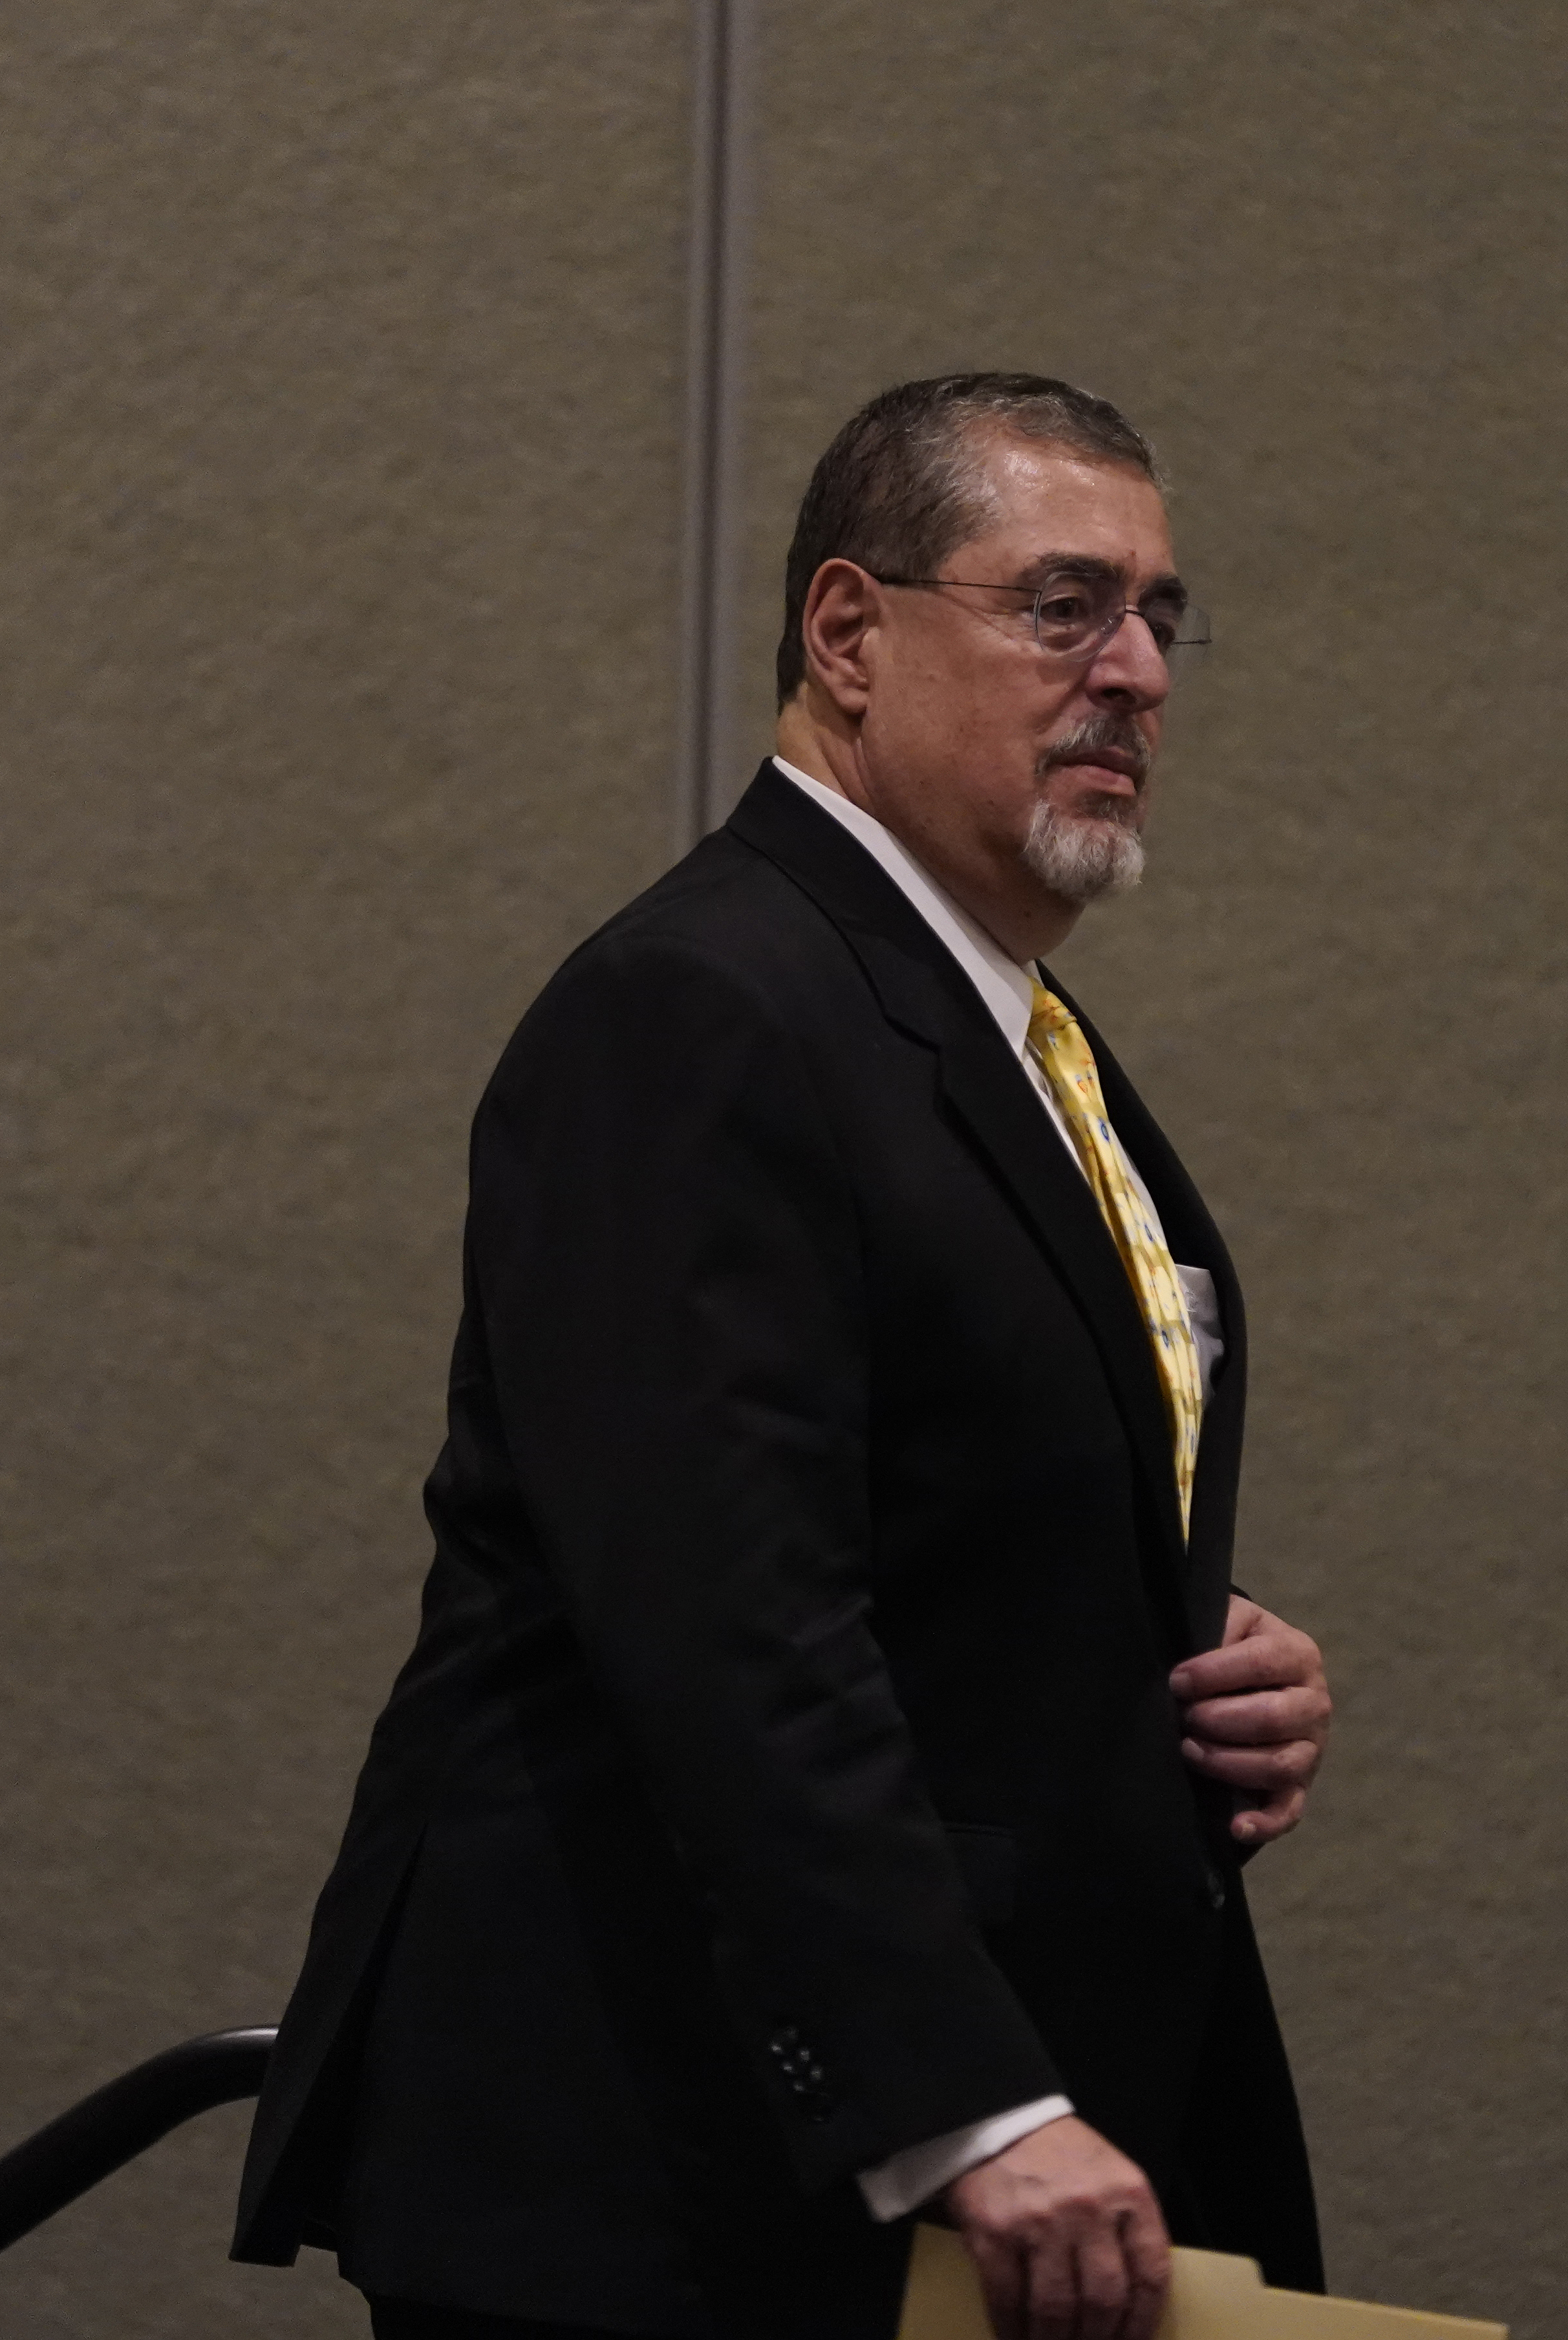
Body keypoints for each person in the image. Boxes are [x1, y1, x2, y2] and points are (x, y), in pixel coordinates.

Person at [231, 374, 1331, 2340]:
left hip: (894, 2160)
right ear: (848, 635)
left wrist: (1174, 1645)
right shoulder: (706, 1006)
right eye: (1063, 605)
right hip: (677, 2177)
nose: (1140, 671)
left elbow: (909, 1504)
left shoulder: (992, 1028)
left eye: (1166, 614)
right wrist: (968, 2103)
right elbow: (723, 1618)